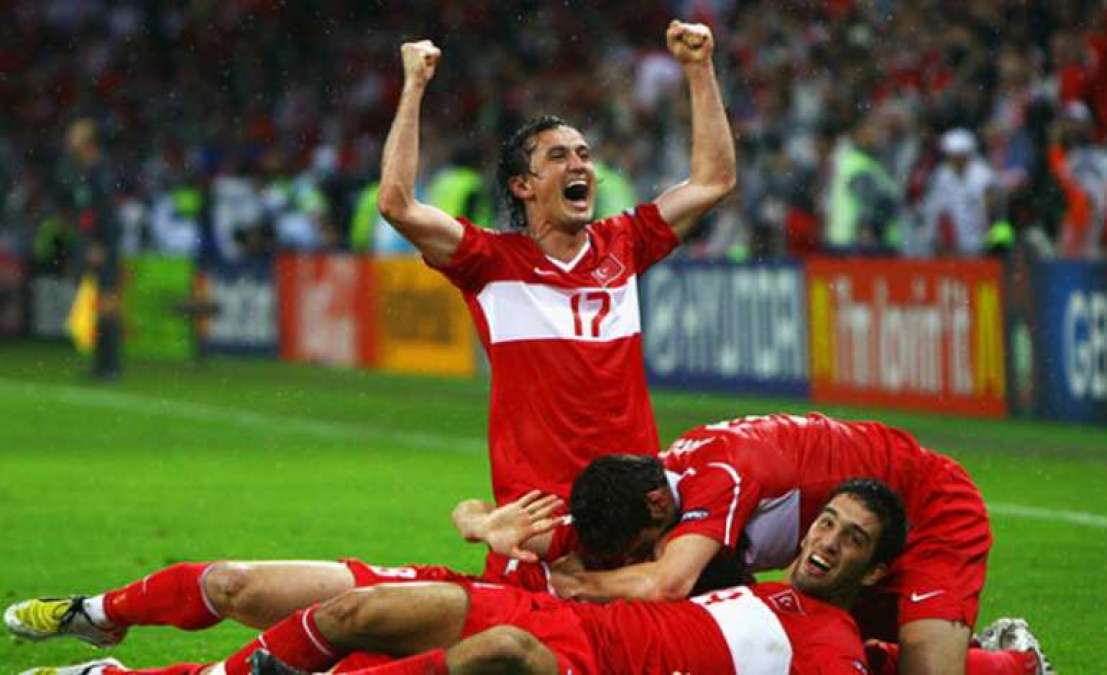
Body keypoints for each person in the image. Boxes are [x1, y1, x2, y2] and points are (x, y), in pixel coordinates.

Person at [377, 20, 735, 506]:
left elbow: (714, 180)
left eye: (584, 154)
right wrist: (415, 86)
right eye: (559, 156)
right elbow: (397, 204)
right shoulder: (490, 261)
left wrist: (699, 68)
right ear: (523, 186)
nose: (579, 164)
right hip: (541, 511)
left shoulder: (624, 243)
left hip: (635, 505)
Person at [22, 480, 908, 675]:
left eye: (851, 539)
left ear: (873, 566)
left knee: (504, 652)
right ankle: (98, 622)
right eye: (827, 521)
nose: (827, 540)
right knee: (288, 597)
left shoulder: (832, 647)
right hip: (533, 607)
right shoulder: (734, 563)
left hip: (569, 657)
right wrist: (492, 531)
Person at [533, 413, 1049, 675]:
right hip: (847, 541)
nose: (642, 558)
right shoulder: (647, 489)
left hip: (928, 508)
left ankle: (1016, 663)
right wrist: (495, 527)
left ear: (656, 506)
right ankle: (990, 660)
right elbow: (547, 531)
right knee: (819, 654)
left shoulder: (720, 476)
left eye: (642, 547)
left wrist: (578, 585)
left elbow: (668, 582)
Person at [64, 119, 123, 380]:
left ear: (87, 141)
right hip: (92, 244)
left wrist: (100, 244)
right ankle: (101, 365)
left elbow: (107, 212)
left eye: (74, 135)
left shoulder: (100, 171)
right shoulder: (84, 170)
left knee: (107, 302)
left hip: (104, 246)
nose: (70, 140)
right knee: (97, 303)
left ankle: (110, 366)